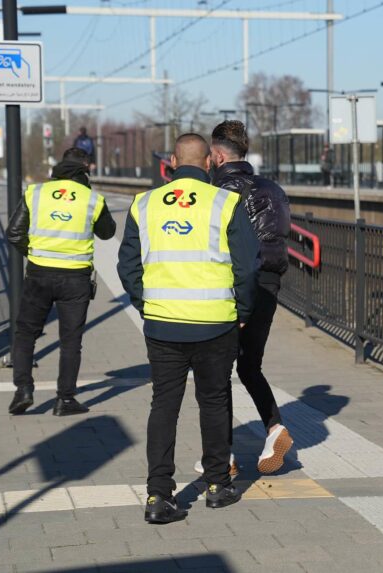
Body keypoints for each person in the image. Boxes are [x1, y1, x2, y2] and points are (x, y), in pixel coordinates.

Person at [117, 133, 259, 524]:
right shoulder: (226, 203)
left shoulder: (144, 204)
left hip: (163, 325)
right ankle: (217, 486)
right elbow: (247, 267)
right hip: (216, 323)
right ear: (209, 162)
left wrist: (147, 304)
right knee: (213, 402)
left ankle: (158, 496)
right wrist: (242, 310)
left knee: (164, 406)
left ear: (173, 161)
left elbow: (126, 266)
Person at [202, 120, 293, 475]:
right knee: (250, 364)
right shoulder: (273, 188)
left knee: (217, 370)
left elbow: (225, 246)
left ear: (219, 155)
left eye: (210, 156)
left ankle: (222, 457)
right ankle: (275, 428)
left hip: (234, 286)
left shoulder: (218, 194)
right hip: (270, 284)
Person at [6, 147, 116, 416]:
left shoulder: (36, 193)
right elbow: (108, 232)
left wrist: (34, 253)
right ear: (86, 168)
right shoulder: (92, 199)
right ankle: (65, 400)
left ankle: (23, 389)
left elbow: (14, 233)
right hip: (75, 279)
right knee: (70, 341)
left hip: (39, 274)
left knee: (25, 334)